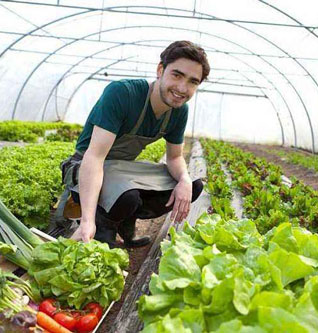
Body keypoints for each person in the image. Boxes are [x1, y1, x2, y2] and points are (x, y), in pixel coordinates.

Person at [60, 40, 210, 247]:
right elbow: (94, 157)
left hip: (122, 170)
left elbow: (175, 157)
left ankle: (125, 219)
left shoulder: (179, 111)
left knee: (192, 186)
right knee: (127, 195)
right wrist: (87, 220)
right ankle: (103, 227)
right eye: (177, 75)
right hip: (85, 166)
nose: (182, 88)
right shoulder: (123, 93)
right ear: (160, 70)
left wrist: (184, 180)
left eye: (193, 81)